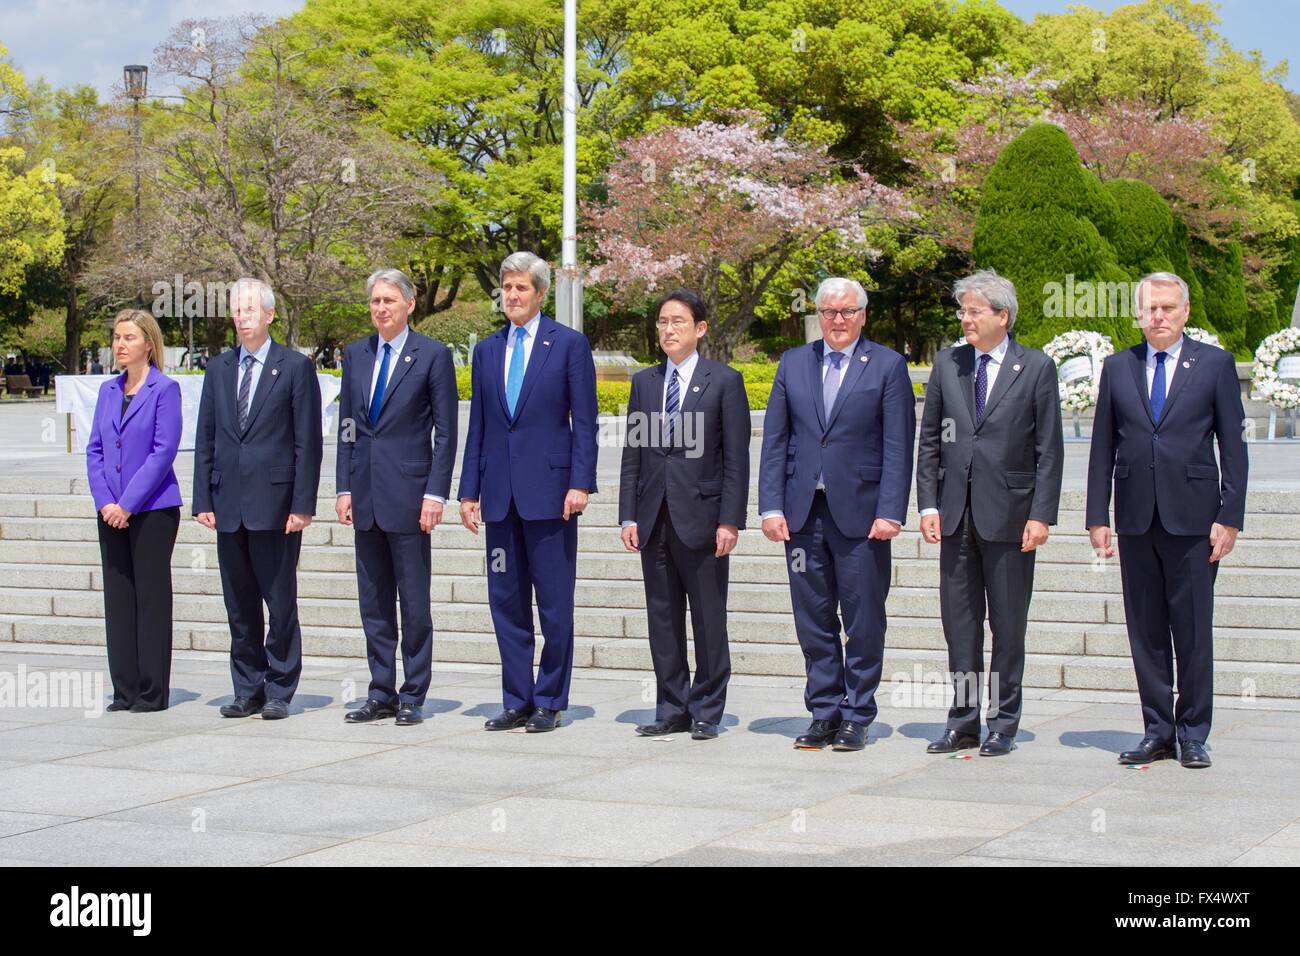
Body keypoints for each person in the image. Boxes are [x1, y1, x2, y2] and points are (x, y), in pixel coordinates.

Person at [1086, 272, 1248, 770]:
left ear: (1185, 311)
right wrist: (1098, 515)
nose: (1158, 316)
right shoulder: (1118, 368)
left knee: (1193, 629)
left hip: (1195, 519)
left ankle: (1193, 732)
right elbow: (1102, 447)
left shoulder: (1214, 365)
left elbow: (1234, 447)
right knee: (1147, 631)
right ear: (1138, 313)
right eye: (1150, 308)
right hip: (1136, 518)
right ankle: (1157, 730)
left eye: (1167, 308)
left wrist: (1229, 516)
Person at [758, 277, 915, 751]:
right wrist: (770, 505)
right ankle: (823, 711)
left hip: (863, 518)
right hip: (803, 515)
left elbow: (897, 446)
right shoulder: (794, 363)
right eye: (829, 312)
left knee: (863, 617)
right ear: (818, 316)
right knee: (813, 617)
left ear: (863, 315)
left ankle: (857, 713)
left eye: (847, 312)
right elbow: (776, 440)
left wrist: (891, 510)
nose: (838, 320)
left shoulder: (887, 366)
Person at [915, 270, 1064, 757]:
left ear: (1003, 316)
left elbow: (1049, 450)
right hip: (955, 516)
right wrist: (929, 503)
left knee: (1007, 626)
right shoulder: (948, 364)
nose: (966, 319)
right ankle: (963, 720)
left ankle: (1003, 722)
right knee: (959, 624)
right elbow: (931, 440)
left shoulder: (1036, 367)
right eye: (963, 311)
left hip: (1011, 519)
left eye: (975, 311)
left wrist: (1041, 515)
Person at [458, 251, 598, 733]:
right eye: (507, 288)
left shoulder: (568, 345)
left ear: (540, 294)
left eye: (521, 288)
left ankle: (550, 700)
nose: (512, 296)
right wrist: (468, 489)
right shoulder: (488, 350)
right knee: (507, 602)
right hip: (499, 496)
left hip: (552, 494)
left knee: (554, 605)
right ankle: (516, 698)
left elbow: (586, 420)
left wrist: (581, 482)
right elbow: (479, 423)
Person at [618, 289, 750, 740]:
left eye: (677, 321)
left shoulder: (724, 381)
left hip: (704, 518)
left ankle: (708, 708)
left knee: (708, 617)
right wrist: (628, 515)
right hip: (654, 517)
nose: (668, 329)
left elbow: (736, 458)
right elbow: (633, 454)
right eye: (661, 322)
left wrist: (730, 520)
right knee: (663, 616)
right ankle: (672, 706)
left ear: (700, 328)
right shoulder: (645, 382)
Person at [192, 278, 323, 720]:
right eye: (236, 309)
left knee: (279, 601)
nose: (242, 316)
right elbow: (205, 437)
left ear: (269, 315)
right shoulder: (219, 368)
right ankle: (247, 687)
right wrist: (202, 499)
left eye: (250, 309)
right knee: (239, 604)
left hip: (277, 505)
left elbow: (308, 441)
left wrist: (302, 503)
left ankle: (281, 687)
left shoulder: (294, 367)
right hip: (229, 505)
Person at [336, 269, 457, 725]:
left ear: (409, 305)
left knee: (414, 600)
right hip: (365, 493)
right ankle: (380, 690)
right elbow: (349, 426)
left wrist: (436, 493)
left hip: (410, 494)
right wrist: (344, 486)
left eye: (389, 300)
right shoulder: (356, 354)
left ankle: (413, 693)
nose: (381, 308)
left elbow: (446, 432)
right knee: (373, 600)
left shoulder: (432, 355)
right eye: (374, 301)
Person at [85, 310, 183, 712]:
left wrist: (128, 504)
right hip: (110, 510)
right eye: (116, 337)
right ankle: (123, 689)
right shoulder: (109, 390)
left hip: (153, 510)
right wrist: (107, 502)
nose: (119, 345)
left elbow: (164, 452)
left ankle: (150, 690)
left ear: (148, 343)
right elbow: (94, 449)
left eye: (128, 337)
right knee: (119, 598)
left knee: (150, 598)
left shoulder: (165, 389)